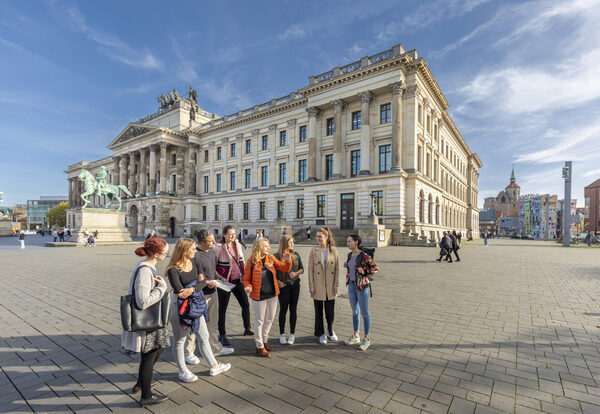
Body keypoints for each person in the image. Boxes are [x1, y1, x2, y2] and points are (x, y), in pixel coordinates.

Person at [166, 238, 231, 383]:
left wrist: (193, 288)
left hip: (196, 304)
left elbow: (203, 282)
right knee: (180, 340)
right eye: (193, 249)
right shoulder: (173, 270)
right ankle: (183, 371)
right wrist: (195, 285)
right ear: (184, 251)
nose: (196, 251)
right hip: (180, 308)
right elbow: (179, 290)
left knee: (204, 336)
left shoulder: (195, 261)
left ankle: (214, 365)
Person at [121, 237, 170, 407]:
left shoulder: (149, 266)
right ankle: (146, 395)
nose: (166, 255)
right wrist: (162, 288)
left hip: (152, 320)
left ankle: (141, 383)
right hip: (148, 321)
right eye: (165, 253)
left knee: (158, 348)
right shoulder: (144, 270)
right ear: (156, 254)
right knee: (149, 354)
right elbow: (142, 301)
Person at [186, 230, 234, 364]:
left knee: (213, 323)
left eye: (214, 239)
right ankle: (188, 352)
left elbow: (211, 270)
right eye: (211, 241)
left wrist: (219, 277)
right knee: (194, 324)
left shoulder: (212, 252)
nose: (215, 242)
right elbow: (191, 275)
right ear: (202, 242)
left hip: (213, 293)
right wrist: (207, 282)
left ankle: (215, 348)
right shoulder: (194, 255)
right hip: (199, 295)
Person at [243, 238, 291, 357]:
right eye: (265, 246)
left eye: (268, 245)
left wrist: (288, 260)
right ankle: (259, 347)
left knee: (269, 319)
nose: (268, 248)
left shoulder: (271, 258)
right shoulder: (251, 262)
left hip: (272, 294)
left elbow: (284, 268)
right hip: (259, 296)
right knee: (259, 320)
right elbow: (246, 279)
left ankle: (265, 341)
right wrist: (248, 287)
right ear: (258, 248)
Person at [215, 225, 253, 347]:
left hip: (238, 280)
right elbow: (212, 265)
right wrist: (220, 278)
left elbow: (241, 261)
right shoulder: (219, 248)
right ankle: (222, 334)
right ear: (224, 235)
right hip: (225, 281)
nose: (232, 236)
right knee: (223, 308)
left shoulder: (237, 244)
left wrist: (246, 276)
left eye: (234, 234)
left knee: (245, 304)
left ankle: (247, 328)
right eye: (230, 234)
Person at [344, 235, 378, 351]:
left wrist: (364, 271)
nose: (347, 243)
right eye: (347, 241)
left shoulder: (364, 256)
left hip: (362, 287)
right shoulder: (349, 255)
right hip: (352, 286)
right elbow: (351, 269)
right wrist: (347, 266)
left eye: (349, 241)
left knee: (364, 313)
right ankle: (356, 336)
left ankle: (367, 339)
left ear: (356, 242)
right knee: (355, 312)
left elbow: (375, 268)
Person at [308, 226, 340, 344]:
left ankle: (330, 331)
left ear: (326, 237)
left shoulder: (334, 250)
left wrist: (337, 284)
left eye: (320, 237)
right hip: (318, 285)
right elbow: (310, 270)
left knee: (330, 311)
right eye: (317, 236)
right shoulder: (314, 251)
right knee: (318, 311)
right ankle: (321, 333)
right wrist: (311, 286)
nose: (318, 239)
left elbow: (337, 269)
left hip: (331, 285)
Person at [274, 235, 304, 345]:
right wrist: (277, 281)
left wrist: (295, 273)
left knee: (293, 309)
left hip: (295, 285)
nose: (292, 245)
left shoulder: (295, 255)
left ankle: (292, 334)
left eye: (293, 243)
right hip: (283, 286)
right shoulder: (276, 256)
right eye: (290, 243)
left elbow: (302, 269)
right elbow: (272, 273)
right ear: (284, 243)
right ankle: (282, 333)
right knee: (283, 309)